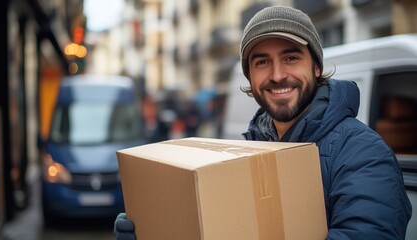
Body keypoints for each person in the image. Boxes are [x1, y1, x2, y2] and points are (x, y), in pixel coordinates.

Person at [114, 5, 412, 239]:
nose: (278, 75)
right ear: (250, 77)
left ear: (317, 66)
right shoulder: (247, 151)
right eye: (262, 62)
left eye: (291, 57)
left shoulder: (364, 154)